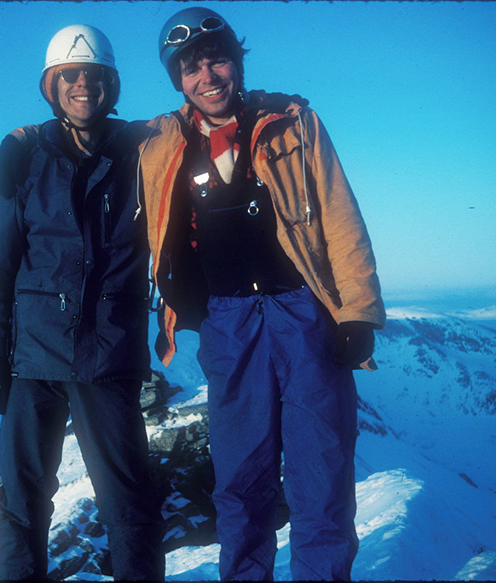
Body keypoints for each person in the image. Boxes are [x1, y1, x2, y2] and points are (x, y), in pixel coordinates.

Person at [138, 7, 386, 581]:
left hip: (303, 312)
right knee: (240, 478)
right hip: (228, 325)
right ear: (178, 79)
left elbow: (340, 215)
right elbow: (87, 133)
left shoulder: (291, 122)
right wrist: (28, 139)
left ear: (237, 61)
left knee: (319, 475)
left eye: (217, 59)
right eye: (191, 68)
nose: (208, 76)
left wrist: (357, 312)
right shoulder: (159, 141)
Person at [0, 24, 164, 581]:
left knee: (128, 503)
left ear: (112, 84)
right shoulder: (27, 161)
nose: (83, 85)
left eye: (95, 75)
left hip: (107, 358)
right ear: (51, 86)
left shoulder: (142, 150)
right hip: (33, 357)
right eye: (69, 76)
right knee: (21, 502)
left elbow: (191, 123)